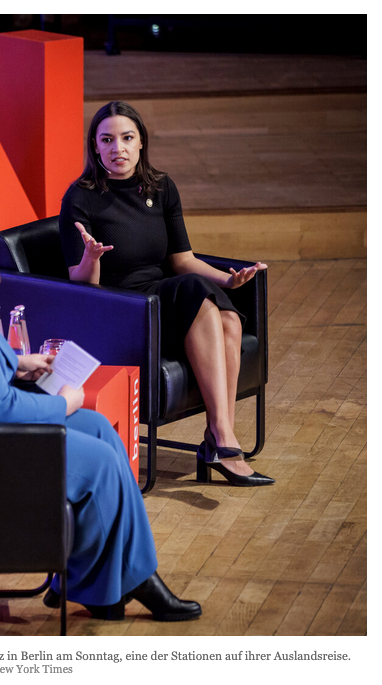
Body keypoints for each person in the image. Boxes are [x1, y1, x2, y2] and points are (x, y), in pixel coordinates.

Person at [0, 186, 201, 623]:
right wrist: (62, 404)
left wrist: (15, 362)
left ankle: (91, 584)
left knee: (99, 429)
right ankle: (132, 581)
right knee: (100, 462)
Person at [59, 101, 274, 487]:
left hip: (162, 297)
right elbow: (82, 284)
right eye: (107, 140)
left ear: (141, 142)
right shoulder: (80, 197)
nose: (118, 148)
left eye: (127, 138)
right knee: (195, 292)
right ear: (94, 146)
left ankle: (220, 434)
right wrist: (91, 257)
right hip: (122, 307)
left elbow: (182, 260)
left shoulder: (161, 188)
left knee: (228, 317)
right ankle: (222, 440)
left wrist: (228, 281)